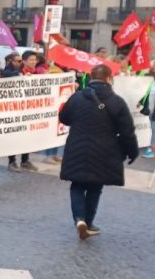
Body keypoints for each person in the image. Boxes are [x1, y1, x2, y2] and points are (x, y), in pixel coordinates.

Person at [58, 65, 139, 239]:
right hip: (105, 149)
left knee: (77, 184)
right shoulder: (117, 101)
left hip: (77, 146)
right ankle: (88, 222)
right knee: (95, 186)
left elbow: (63, 117)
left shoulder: (77, 97)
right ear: (109, 78)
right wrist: (132, 152)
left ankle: (79, 219)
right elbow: (127, 131)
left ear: (91, 77)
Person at [1, 53, 37, 172]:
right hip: (15, 109)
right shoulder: (16, 69)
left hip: (29, 109)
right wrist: (20, 75)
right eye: (31, 60)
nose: (34, 62)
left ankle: (25, 160)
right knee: (14, 136)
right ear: (24, 61)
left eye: (35, 60)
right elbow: (5, 74)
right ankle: (12, 161)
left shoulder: (36, 72)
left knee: (27, 136)